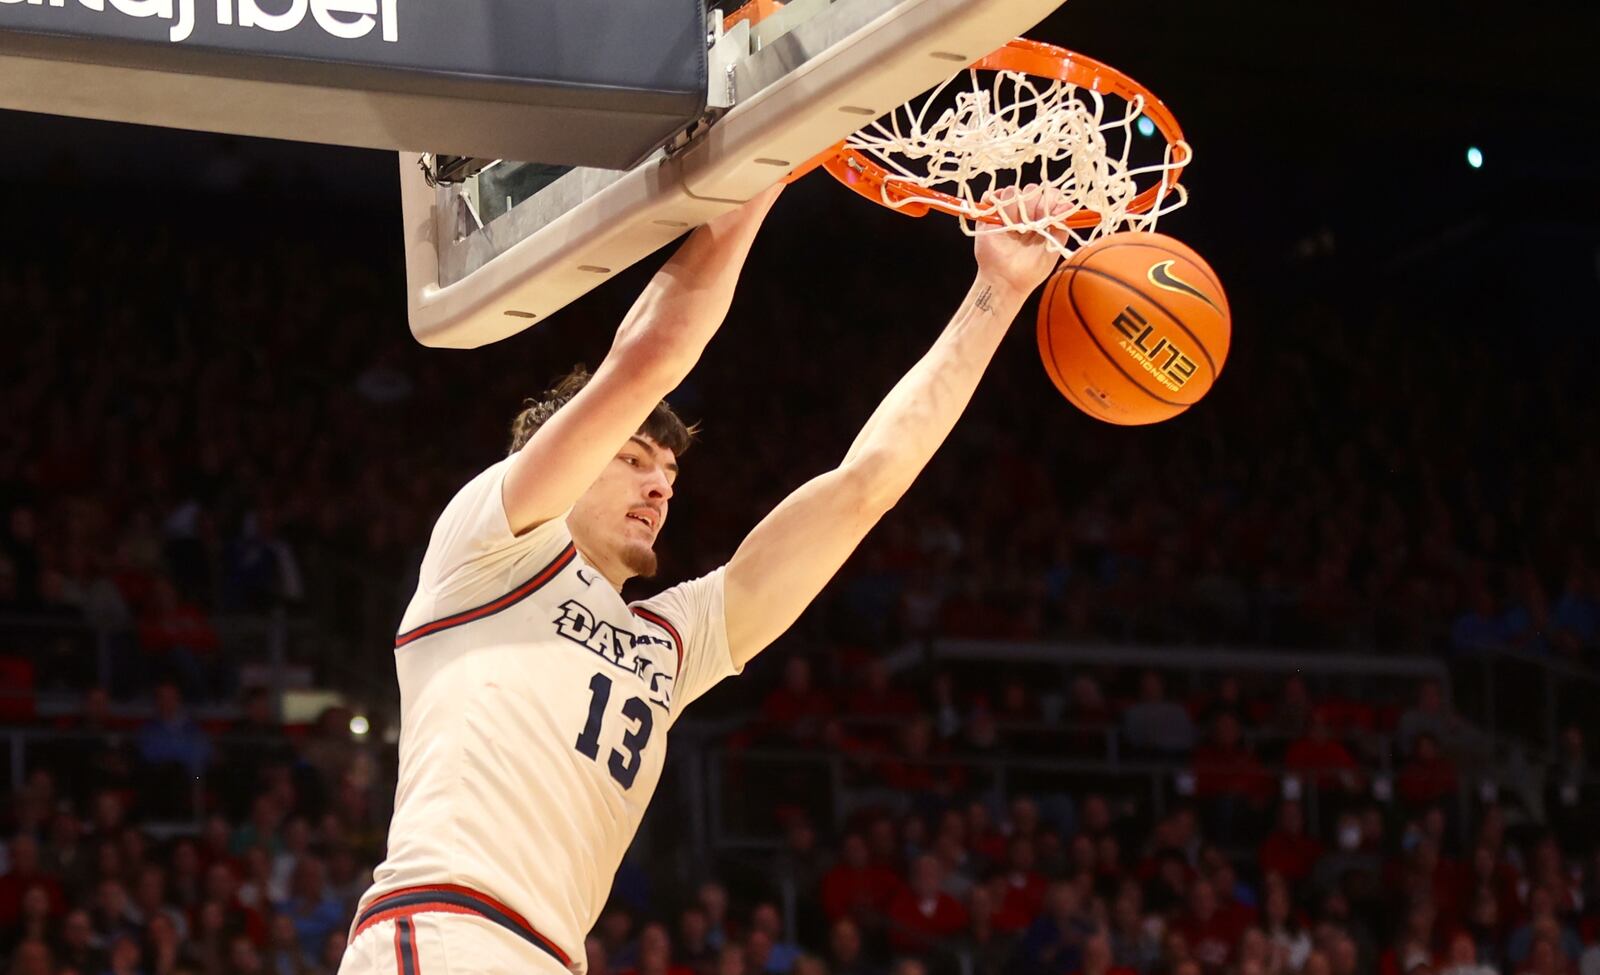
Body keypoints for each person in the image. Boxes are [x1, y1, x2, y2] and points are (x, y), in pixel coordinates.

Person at [338, 183, 1070, 974]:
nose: (661, 486)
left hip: (549, 954)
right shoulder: (489, 548)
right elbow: (646, 360)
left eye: (670, 473)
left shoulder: (672, 639)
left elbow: (865, 485)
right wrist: (760, 169)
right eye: (633, 459)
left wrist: (998, 291)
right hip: (449, 927)